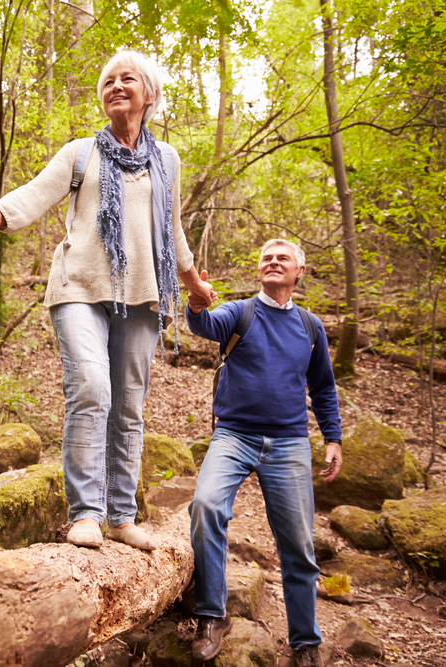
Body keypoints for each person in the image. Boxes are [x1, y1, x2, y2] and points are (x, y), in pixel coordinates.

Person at [0, 50, 214, 551]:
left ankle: (120, 516)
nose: (114, 86)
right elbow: (32, 196)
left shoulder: (167, 160)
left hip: (142, 295)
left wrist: (193, 280)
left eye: (126, 78)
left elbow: (170, 229)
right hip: (79, 289)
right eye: (107, 80)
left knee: (129, 407)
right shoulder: (81, 153)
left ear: (148, 93)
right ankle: (86, 513)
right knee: (91, 389)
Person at [185, 239, 343, 667]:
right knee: (205, 506)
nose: (273, 263)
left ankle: (305, 642)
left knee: (298, 545)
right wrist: (197, 302)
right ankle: (211, 615)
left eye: (282, 258)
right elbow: (203, 325)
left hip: (290, 443)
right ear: (259, 271)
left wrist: (333, 438)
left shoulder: (310, 327)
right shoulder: (240, 312)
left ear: (299, 272)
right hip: (233, 436)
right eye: (266, 259)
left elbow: (324, 387)